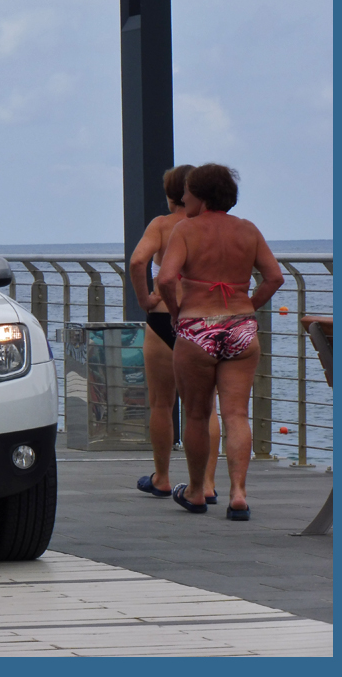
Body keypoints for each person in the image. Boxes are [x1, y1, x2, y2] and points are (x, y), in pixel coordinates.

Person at [157, 164, 284, 521]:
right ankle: (239, 494)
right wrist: (247, 306)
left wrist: (177, 311)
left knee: (197, 414)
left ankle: (197, 491)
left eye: (187, 192)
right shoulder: (249, 230)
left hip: (197, 327)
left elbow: (166, 278)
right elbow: (274, 277)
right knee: (237, 414)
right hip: (241, 329)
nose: (182, 198)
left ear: (200, 195)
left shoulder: (185, 229)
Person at [128, 165, 220, 503]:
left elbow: (138, 262)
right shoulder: (210, 228)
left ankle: (163, 477)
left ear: (173, 196)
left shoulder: (163, 225)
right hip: (201, 319)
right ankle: (206, 483)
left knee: (160, 403)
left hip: (163, 319)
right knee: (206, 409)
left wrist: (144, 300)